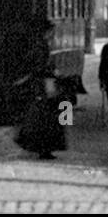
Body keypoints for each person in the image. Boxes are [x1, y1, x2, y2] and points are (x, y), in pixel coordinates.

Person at [15, 22, 66, 159]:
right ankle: (44, 149)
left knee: (42, 117)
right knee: (48, 117)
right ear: (47, 32)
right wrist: (53, 73)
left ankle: (41, 147)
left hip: (41, 84)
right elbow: (40, 67)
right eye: (51, 32)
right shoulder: (42, 47)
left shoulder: (39, 45)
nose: (53, 34)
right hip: (44, 84)